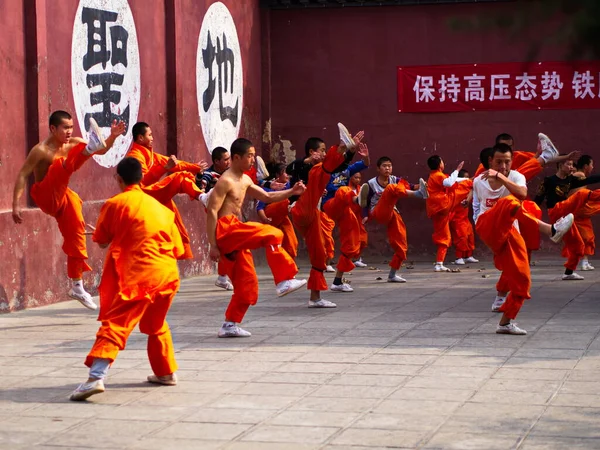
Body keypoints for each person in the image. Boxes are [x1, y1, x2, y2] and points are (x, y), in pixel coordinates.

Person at [69, 157, 184, 401]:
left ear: (118, 179)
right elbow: (178, 249)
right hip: (168, 275)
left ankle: (96, 377)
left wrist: (110, 237)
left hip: (140, 276)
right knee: (155, 324)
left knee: (116, 323)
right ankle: (166, 372)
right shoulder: (161, 208)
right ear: (142, 178)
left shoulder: (116, 203)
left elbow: (101, 240)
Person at [12, 111, 125, 310]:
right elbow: (23, 174)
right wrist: (15, 204)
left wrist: (113, 136)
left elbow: (102, 150)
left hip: (63, 195)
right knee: (58, 167)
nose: (69, 131)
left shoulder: (73, 144)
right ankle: (87, 150)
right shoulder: (40, 150)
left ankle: (77, 286)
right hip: (46, 195)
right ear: (53, 128)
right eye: (65, 127)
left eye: (71, 127)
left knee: (76, 231)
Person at [207, 138, 307, 337]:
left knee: (247, 286)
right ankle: (284, 279)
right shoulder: (225, 181)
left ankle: (229, 325)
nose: (253, 159)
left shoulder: (245, 179)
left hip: (236, 234)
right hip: (227, 231)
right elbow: (211, 210)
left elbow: (267, 197)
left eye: (253, 155)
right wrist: (213, 245)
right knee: (273, 233)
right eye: (250, 155)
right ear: (237, 157)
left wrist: (292, 192)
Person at [473, 144, 574, 335]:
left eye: (507, 162)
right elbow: (501, 200)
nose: (503, 166)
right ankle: (549, 230)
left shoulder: (516, 177)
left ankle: (505, 321)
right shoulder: (479, 181)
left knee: (522, 277)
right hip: (488, 227)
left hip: (510, 230)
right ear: (490, 162)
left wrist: (501, 177)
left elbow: (522, 193)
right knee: (511, 201)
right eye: (499, 162)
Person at [289, 127, 363, 308]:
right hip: (300, 207)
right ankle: (341, 145)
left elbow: (340, 166)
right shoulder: (301, 165)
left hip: (313, 213)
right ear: (312, 151)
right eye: (321, 150)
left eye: (324, 150)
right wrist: (310, 159)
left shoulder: (321, 168)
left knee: (319, 254)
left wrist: (351, 151)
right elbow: (296, 168)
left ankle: (315, 298)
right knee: (320, 171)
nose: (322, 153)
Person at [127, 122, 208, 260]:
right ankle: (202, 197)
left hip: (153, 195)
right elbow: (143, 181)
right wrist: (164, 168)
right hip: (144, 195)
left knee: (174, 223)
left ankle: (202, 197)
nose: (152, 138)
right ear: (140, 138)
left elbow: (177, 165)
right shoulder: (135, 156)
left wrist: (195, 168)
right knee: (180, 177)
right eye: (150, 135)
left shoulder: (150, 154)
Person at [360, 156, 428, 283]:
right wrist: (364, 215)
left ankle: (392, 274)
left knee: (402, 244)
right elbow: (364, 201)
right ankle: (419, 195)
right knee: (391, 189)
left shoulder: (395, 179)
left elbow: (411, 186)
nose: (387, 168)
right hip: (378, 212)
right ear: (378, 169)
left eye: (389, 166)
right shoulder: (371, 184)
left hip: (392, 213)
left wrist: (423, 186)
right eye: (384, 166)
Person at [535, 156, 600, 280]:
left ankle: (568, 272)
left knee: (578, 245)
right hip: (555, 211)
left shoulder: (571, 180)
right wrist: (531, 212)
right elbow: (538, 198)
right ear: (560, 165)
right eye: (568, 164)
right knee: (582, 194)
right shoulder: (549, 180)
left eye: (572, 165)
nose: (571, 168)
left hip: (565, 215)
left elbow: (590, 179)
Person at [322, 142, 371, 292]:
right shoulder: (326, 172)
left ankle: (337, 281)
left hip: (345, 208)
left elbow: (365, 164)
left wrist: (366, 157)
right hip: (330, 205)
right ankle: (357, 199)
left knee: (352, 242)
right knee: (343, 190)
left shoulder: (348, 170)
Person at [197, 147, 235, 290]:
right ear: (216, 161)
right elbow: (202, 188)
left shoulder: (229, 173)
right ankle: (224, 277)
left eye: (228, 158)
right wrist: (200, 179)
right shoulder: (208, 174)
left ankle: (223, 277)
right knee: (226, 244)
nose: (228, 162)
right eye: (225, 159)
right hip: (216, 214)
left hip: (227, 213)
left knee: (226, 245)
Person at [426, 155, 472, 272]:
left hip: (440, 209)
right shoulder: (437, 175)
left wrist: (468, 180)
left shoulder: (435, 176)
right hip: (442, 205)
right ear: (439, 164)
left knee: (444, 235)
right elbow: (449, 183)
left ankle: (439, 263)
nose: (443, 163)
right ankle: (439, 263)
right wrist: (457, 170)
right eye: (442, 161)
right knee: (444, 237)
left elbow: (453, 180)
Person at [256, 163, 298, 259]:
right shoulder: (267, 187)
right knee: (285, 201)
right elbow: (259, 208)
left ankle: (289, 264)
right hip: (270, 215)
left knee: (292, 242)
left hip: (282, 217)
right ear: (278, 176)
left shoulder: (289, 185)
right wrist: (265, 219)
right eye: (285, 173)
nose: (288, 175)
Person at [571, 155, 598, 271]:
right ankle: (582, 262)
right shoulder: (579, 175)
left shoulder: (580, 176)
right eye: (591, 164)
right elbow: (578, 194)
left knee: (587, 237)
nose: (593, 167)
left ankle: (584, 262)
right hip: (578, 210)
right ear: (586, 166)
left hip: (581, 211)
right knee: (585, 237)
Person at [450, 169, 478, 265]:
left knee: (470, 236)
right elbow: (470, 182)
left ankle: (468, 256)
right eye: (465, 177)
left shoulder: (466, 186)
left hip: (464, 218)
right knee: (460, 238)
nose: (467, 179)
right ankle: (459, 257)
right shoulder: (458, 187)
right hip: (457, 218)